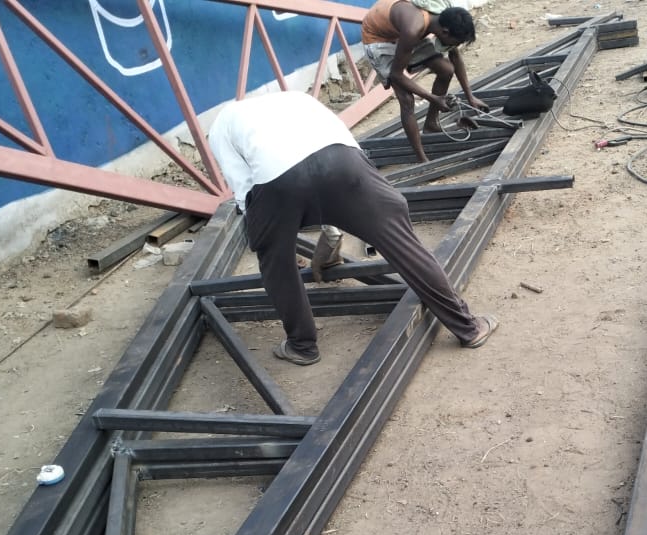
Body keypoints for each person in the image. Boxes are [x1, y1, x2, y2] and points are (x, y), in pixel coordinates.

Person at [206, 91, 498, 366]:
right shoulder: (296, 98)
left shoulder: (221, 125)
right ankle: (468, 328)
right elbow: (338, 153)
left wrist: (272, 241)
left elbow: (245, 191)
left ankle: (302, 346)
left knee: (275, 264)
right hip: (344, 163)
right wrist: (336, 224)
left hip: (279, 182)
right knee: (401, 241)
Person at [361, 0, 490, 163]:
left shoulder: (446, 16)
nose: (455, 46)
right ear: (445, 32)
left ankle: (431, 124)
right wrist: (433, 98)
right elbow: (396, 75)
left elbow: (455, 57)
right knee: (406, 100)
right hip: (378, 38)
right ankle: (422, 159)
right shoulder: (412, 29)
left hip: (400, 30)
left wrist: (470, 97)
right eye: (456, 42)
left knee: (446, 70)